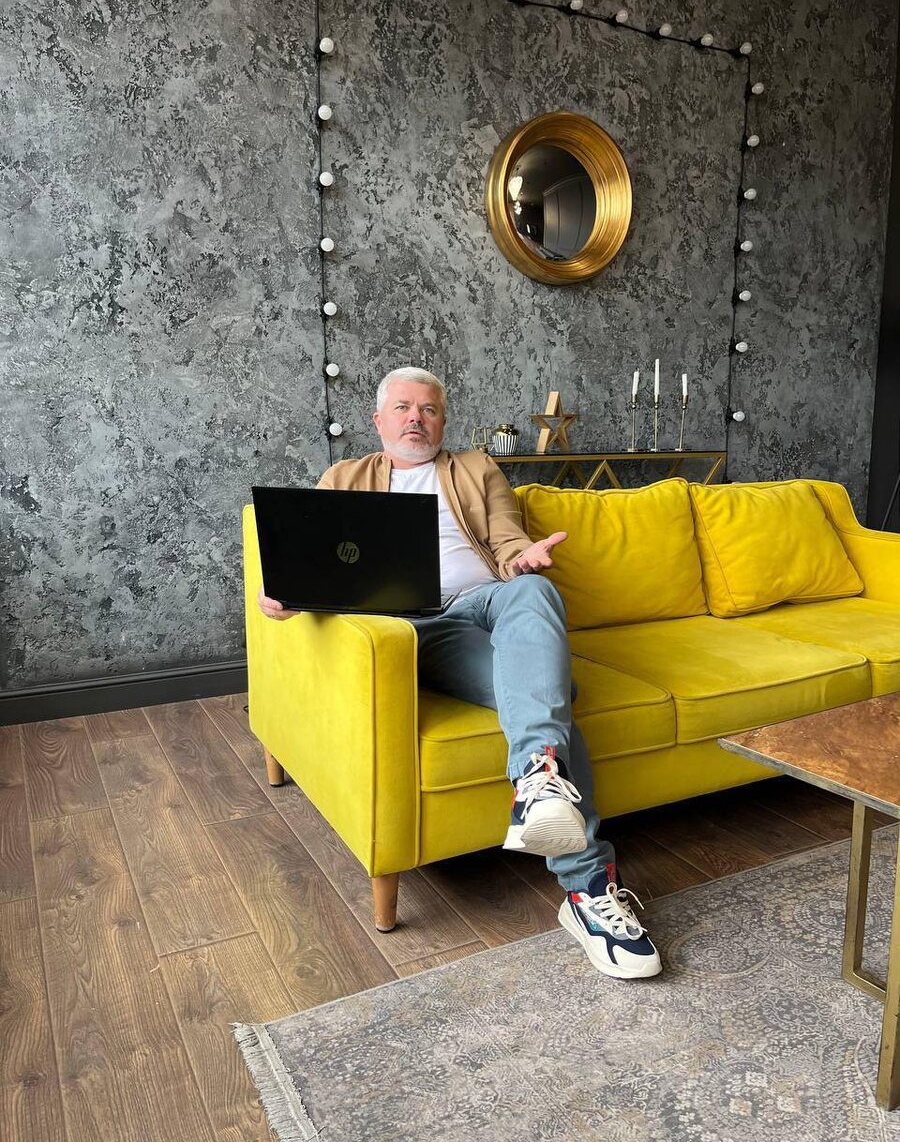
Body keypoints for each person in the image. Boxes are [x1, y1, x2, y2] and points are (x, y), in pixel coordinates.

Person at [258, 366, 661, 980]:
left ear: (444, 419)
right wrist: (292, 595)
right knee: (552, 693)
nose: (415, 418)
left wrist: (522, 560)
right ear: (378, 419)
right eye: (402, 407)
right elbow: (322, 566)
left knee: (534, 592)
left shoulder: (476, 468)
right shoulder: (344, 478)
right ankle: (588, 890)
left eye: (428, 409)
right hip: (411, 629)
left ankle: (539, 781)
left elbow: (506, 541)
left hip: (483, 605)